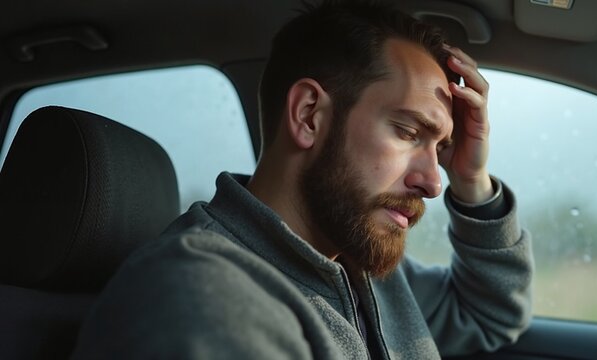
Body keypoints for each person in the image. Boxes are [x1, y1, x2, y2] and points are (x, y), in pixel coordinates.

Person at [73, 1, 533, 359]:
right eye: (409, 132)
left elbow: (490, 314)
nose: (434, 182)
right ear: (309, 115)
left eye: (441, 148)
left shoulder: (362, 266)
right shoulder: (200, 296)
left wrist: (471, 179)